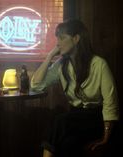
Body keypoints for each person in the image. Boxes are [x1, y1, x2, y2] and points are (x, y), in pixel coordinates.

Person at [31, 19, 119, 157]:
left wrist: (106, 138)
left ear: (76, 38)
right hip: (74, 118)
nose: (57, 43)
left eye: (62, 38)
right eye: (57, 38)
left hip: (95, 119)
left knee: (59, 120)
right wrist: (49, 56)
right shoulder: (61, 65)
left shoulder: (98, 64)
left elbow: (110, 102)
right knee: (67, 143)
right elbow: (36, 85)